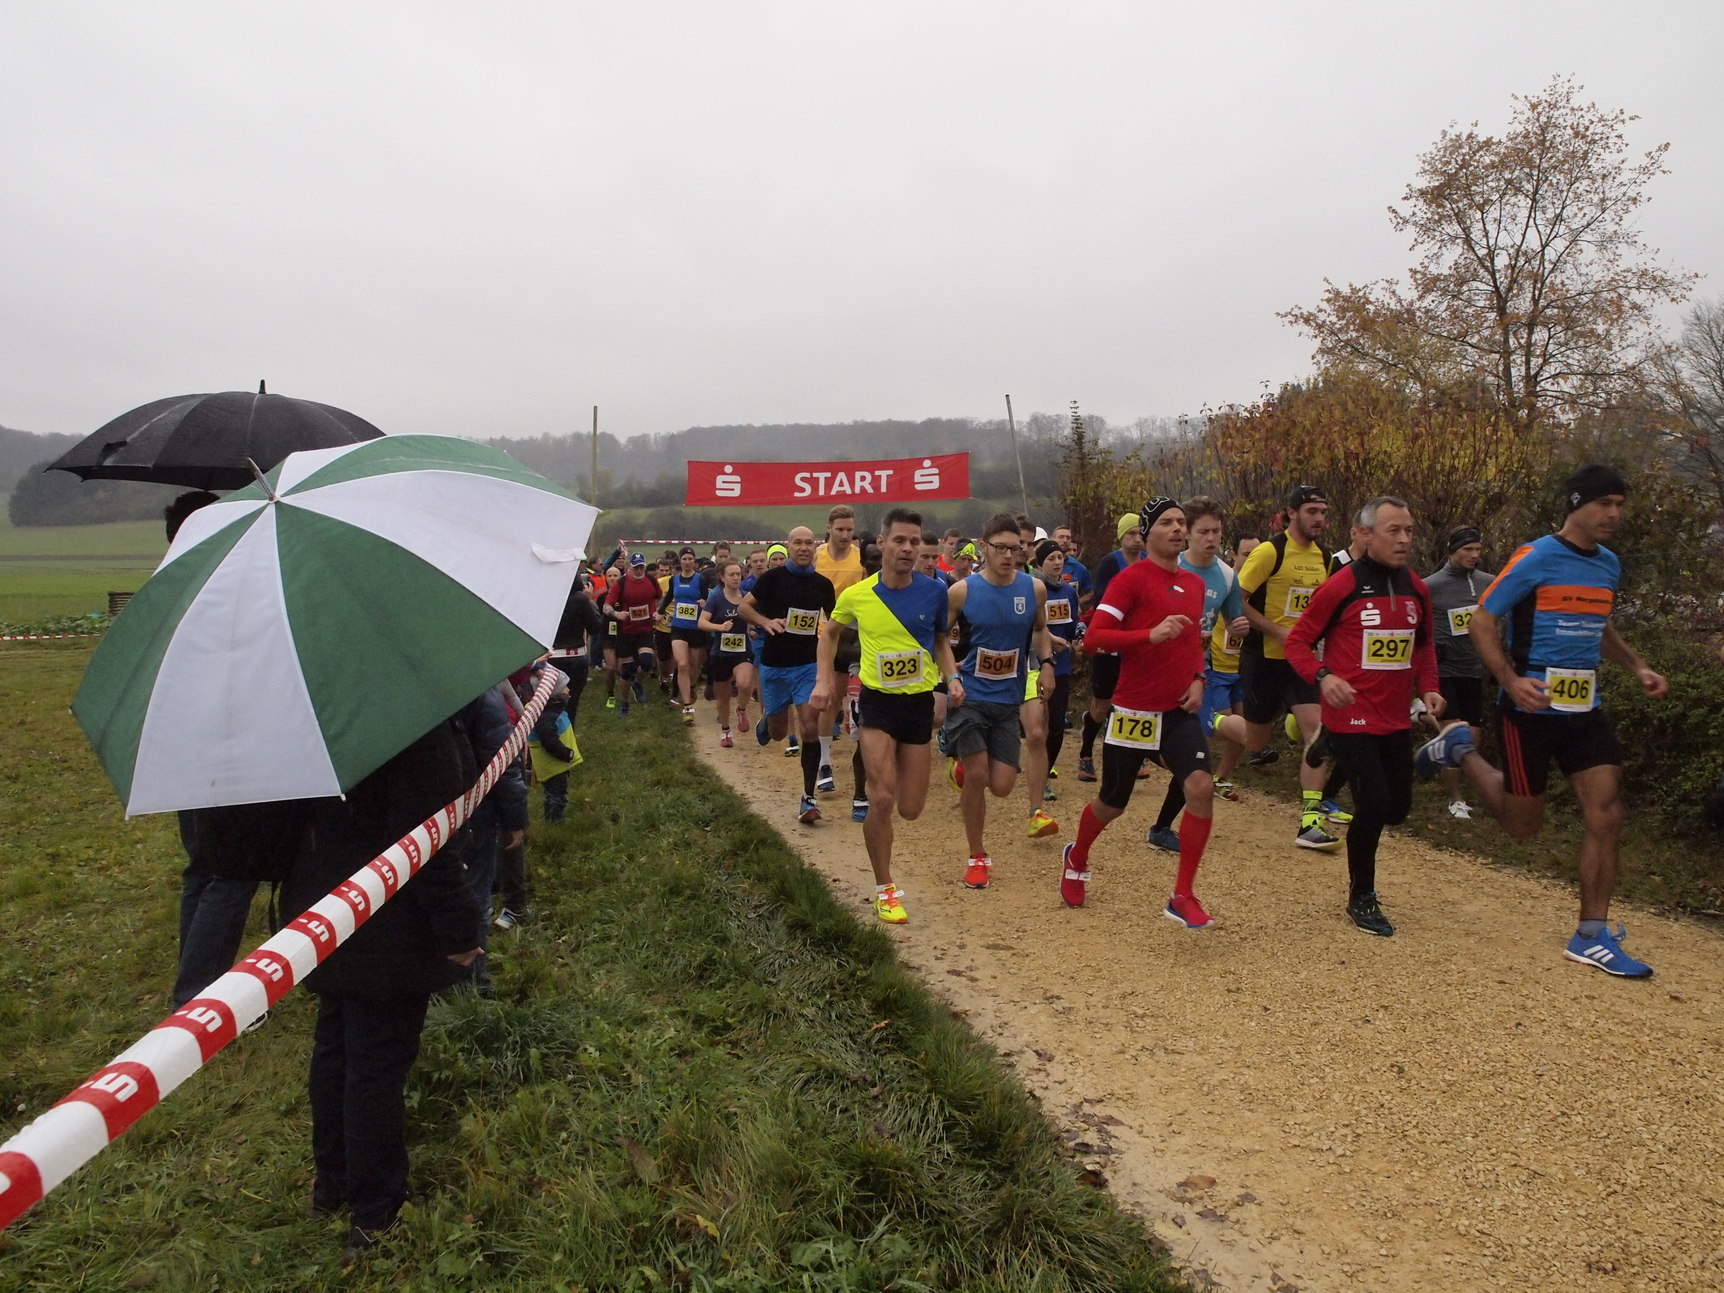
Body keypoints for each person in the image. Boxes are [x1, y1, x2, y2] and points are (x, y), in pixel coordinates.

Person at [1417, 465, 1668, 978]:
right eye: (1604, 503)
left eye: (1620, 505)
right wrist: (1510, 682)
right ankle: (1460, 747)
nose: (1614, 514)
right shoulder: (1535, 556)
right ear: (1576, 504)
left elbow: (1600, 625)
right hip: (1528, 711)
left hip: (1584, 709)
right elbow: (1483, 620)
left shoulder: (1608, 564)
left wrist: (1637, 665)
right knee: (1521, 826)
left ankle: (1591, 935)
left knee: (1607, 812)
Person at [284, 721, 483, 1259]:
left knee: (336, 1047)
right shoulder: (412, 728)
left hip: (324, 907)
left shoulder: (318, 717)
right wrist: (460, 929)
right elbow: (427, 842)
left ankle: (333, 1182)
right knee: (373, 1066)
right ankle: (376, 1209)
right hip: (386, 926)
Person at [1284, 497, 1443, 936]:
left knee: (1397, 810)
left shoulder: (1416, 587)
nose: (1405, 539)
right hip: (1350, 714)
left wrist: (1429, 688)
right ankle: (1362, 897)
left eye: (1409, 530)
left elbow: (1424, 646)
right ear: (1367, 535)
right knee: (1371, 806)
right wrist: (1323, 677)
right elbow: (1296, 643)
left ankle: (1328, 743)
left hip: (1394, 718)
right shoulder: (1342, 585)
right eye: (1394, 531)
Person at [1065, 497, 1217, 925]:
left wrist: (1199, 679)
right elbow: (1094, 639)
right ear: (1147, 533)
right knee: (1112, 803)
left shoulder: (1194, 584)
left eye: (1181, 522)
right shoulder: (1129, 580)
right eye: (1167, 522)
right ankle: (1077, 857)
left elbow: (1193, 642)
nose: (1178, 529)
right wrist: (1149, 635)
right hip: (1134, 711)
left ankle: (1182, 894)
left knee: (1201, 786)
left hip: (1176, 711)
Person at [812, 507, 955, 922]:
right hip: (876, 702)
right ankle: (885, 888)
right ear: (881, 543)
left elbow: (941, 641)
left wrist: (952, 678)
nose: (908, 548)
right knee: (883, 797)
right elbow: (829, 634)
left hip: (918, 704)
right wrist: (823, 681)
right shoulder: (858, 594)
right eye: (899, 540)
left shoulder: (935, 592)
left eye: (914, 541)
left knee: (910, 808)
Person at [941, 513, 1053, 888]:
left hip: (1008, 699)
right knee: (977, 775)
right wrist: (951, 675)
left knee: (1002, 785)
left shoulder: (1034, 589)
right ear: (983, 547)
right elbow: (939, 638)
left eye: (1015, 548)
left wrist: (1047, 665)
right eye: (1000, 548)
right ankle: (977, 857)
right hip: (970, 696)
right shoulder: (962, 592)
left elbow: (1041, 630)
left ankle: (961, 761)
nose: (1008, 555)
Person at [1233, 485, 1339, 850]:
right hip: (1262, 659)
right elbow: (1237, 599)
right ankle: (1214, 721)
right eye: (1312, 512)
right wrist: (1277, 631)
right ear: (1291, 513)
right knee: (1255, 741)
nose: (1319, 519)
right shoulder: (1270, 551)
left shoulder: (1325, 557)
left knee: (1317, 733)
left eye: (1323, 512)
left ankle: (1310, 821)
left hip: (1301, 661)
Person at [1142, 498, 1246, 847]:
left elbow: (1233, 618)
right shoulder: (1166, 566)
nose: (1211, 538)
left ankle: (1161, 828)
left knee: (1195, 759)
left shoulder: (1227, 576)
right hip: (1152, 674)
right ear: (1187, 532)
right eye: (1203, 531)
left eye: (1217, 531)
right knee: (1118, 788)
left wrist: (1241, 626)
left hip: (1197, 674)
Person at [739, 526, 837, 822]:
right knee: (779, 733)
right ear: (789, 547)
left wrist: (829, 667)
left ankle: (808, 798)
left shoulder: (823, 585)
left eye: (808, 543)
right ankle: (768, 719)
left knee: (809, 726)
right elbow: (744, 608)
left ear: (815, 547)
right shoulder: (772, 579)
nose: (803, 547)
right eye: (798, 543)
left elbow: (834, 625)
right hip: (774, 665)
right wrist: (765, 621)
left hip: (807, 665)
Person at [1423, 526, 1496, 818]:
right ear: (1452, 551)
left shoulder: (1489, 582)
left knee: (1472, 739)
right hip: (1444, 670)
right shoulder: (1431, 586)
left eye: (1478, 549)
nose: (1474, 555)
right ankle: (1455, 799)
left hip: (1474, 670)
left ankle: (1422, 716)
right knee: (1457, 738)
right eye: (1468, 549)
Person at [1077, 514, 1146, 781]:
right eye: (1131, 534)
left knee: (1135, 701)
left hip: (1137, 642)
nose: (1137, 539)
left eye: (1140, 533)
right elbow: (1102, 599)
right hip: (1111, 641)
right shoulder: (1110, 562)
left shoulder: (1149, 560)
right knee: (1103, 704)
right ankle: (1086, 752)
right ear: (1121, 537)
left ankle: (1133, 756)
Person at [1026, 539, 1078, 827]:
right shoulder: (1033, 589)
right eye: (1051, 559)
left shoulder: (1069, 591)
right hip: (1036, 664)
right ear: (1039, 563)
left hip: (1062, 666)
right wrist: (1048, 641)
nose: (1058, 562)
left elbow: (1074, 623)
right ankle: (1038, 777)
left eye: (1060, 557)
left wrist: (1078, 635)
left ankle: (1044, 772)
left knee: (1056, 725)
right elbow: (1033, 626)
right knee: (1038, 726)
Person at [1205, 534, 1260, 800]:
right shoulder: (1223, 581)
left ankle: (1220, 778)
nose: (1252, 559)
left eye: (1256, 554)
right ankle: (1204, 720)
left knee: (1245, 727)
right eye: (1247, 554)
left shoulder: (1260, 589)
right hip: (1217, 668)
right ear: (1234, 555)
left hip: (1243, 669)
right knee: (1223, 729)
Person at [816, 505, 866, 793]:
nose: (845, 535)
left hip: (855, 636)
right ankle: (824, 761)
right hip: (824, 634)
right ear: (829, 529)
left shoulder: (860, 559)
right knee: (831, 698)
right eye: (840, 529)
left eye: (849, 529)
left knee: (858, 697)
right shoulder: (817, 557)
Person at [699, 558, 756, 747]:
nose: (736, 578)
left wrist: (753, 629)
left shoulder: (747, 597)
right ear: (722, 577)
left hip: (742, 650)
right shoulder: (716, 598)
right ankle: (725, 731)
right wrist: (719, 627)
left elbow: (753, 618)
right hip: (721, 653)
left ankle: (741, 709)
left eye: (738, 574)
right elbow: (702, 622)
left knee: (745, 684)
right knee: (723, 696)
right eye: (731, 574)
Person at [602, 553, 661, 717]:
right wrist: (615, 614)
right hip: (626, 632)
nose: (639, 570)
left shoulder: (651, 581)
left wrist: (658, 612)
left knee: (647, 662)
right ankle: (624, 703)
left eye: (641, 567)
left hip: (645, 630)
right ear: (629, 567)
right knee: (626, 671)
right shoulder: (621, 584)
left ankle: (638, 683)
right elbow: (606, 606)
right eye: (636, 567)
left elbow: (660, 597)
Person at [545, 576, 605, 728]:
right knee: (572, 702)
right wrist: (590, 601)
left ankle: (549, 733)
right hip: (576, 655)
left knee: (549, 703)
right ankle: (568, 733)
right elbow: (595, 627)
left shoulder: (547, 597)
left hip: (551, 656)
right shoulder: (581, 599)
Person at [663, 548, 713, 724]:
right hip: (679, 627)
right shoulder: (674, 579)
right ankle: (687, 706)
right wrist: (659, 612)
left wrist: (705, 603)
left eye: (690, 558)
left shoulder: (701, 580)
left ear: (694, 561)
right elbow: (669, 597)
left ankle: (691, 687)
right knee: (682, 664)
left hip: (697, 628)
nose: (687, 562)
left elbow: (708, 601)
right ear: (680, 561)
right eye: (684, 558)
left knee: (694, 665)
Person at [1052, 524, 1094, 609]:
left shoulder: (1078, 567)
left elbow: (1090, 593)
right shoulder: (1043, 565)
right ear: (1053, 539)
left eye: (1068, 538)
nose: (1065, 540)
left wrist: (1076, 603)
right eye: (1061, 537)